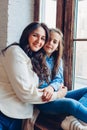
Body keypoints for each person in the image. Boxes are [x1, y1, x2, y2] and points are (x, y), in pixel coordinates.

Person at [0, 22, 64, 130]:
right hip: (3, 114)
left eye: (43, 38)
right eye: (35, 35)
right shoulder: (15, 52)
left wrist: (53, 89)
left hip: (17, 116)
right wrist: (58, 94)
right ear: (27, 35)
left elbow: (32, 89)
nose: (39, 41)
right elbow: (25, 93)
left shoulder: (30, 58)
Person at [34, 28, 87, 130]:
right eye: (48, 39)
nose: (50, 43)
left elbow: (59, 79)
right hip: (44, 101)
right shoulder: (36, 58)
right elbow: (40, 85)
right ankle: (76, 116)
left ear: (58, 47)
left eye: (55, 42)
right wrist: (52, 89)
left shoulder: (57, 60)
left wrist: (52, 87)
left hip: (57, 94)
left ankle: (73, 119)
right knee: (71, 104)